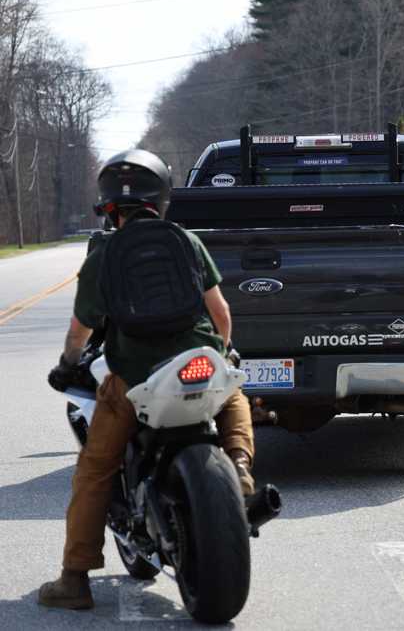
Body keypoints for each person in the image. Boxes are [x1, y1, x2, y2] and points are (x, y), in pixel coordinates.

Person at [37, 150, 257, 611]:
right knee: (231, 391)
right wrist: (224, 348)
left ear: (109, 207)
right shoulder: (185, 241)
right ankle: (238, 465)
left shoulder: (105, 253)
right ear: (161, 201)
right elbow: (221, 312)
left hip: (137, 376)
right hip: (196, 361)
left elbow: (81, 328)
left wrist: (67, 363)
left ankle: (74, 579)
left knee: (94, 470)